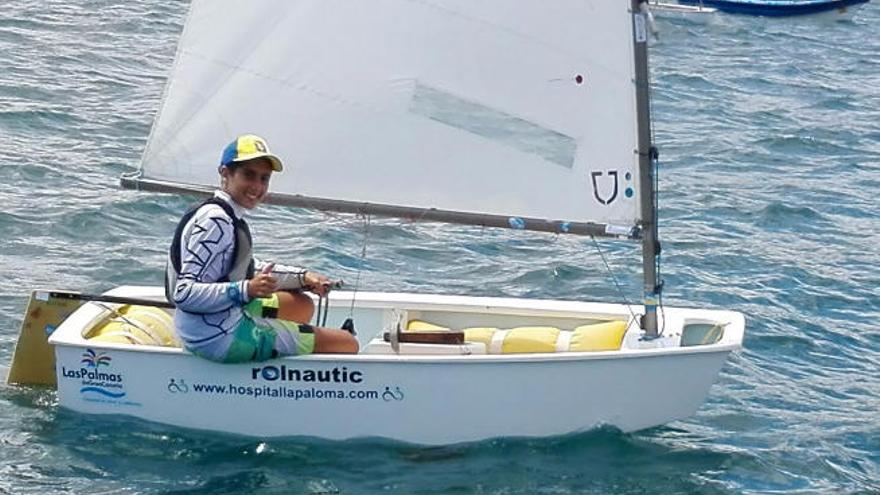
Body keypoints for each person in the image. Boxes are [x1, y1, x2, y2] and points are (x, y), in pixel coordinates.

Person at [165, 134, 359, 362]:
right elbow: (184, 294)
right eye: (249, 175)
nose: (257, 186)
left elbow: (240, 268)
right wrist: (246, 289)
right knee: (347, 343)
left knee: (301, 305)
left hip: (210, 321)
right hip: (218, 338)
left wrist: (303, 277)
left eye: (264, 178)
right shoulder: (216, 222)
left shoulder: (225, 215)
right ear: (225, 173)